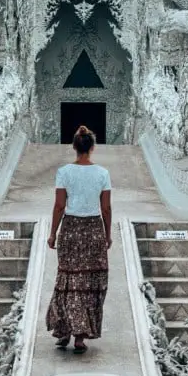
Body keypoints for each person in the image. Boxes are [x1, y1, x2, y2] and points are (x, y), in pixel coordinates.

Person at [46, 125, 112, 354]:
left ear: (74, 147)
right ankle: (80, 337)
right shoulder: (102, 173)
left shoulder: (64, 172)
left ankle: (64, 329)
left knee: (68, 279)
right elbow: (105, 208)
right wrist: (108, 233)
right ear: (92, 147)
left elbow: (59, 206)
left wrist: (53, 232)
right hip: (93, 229)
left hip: (71, 229)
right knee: (89, 282)